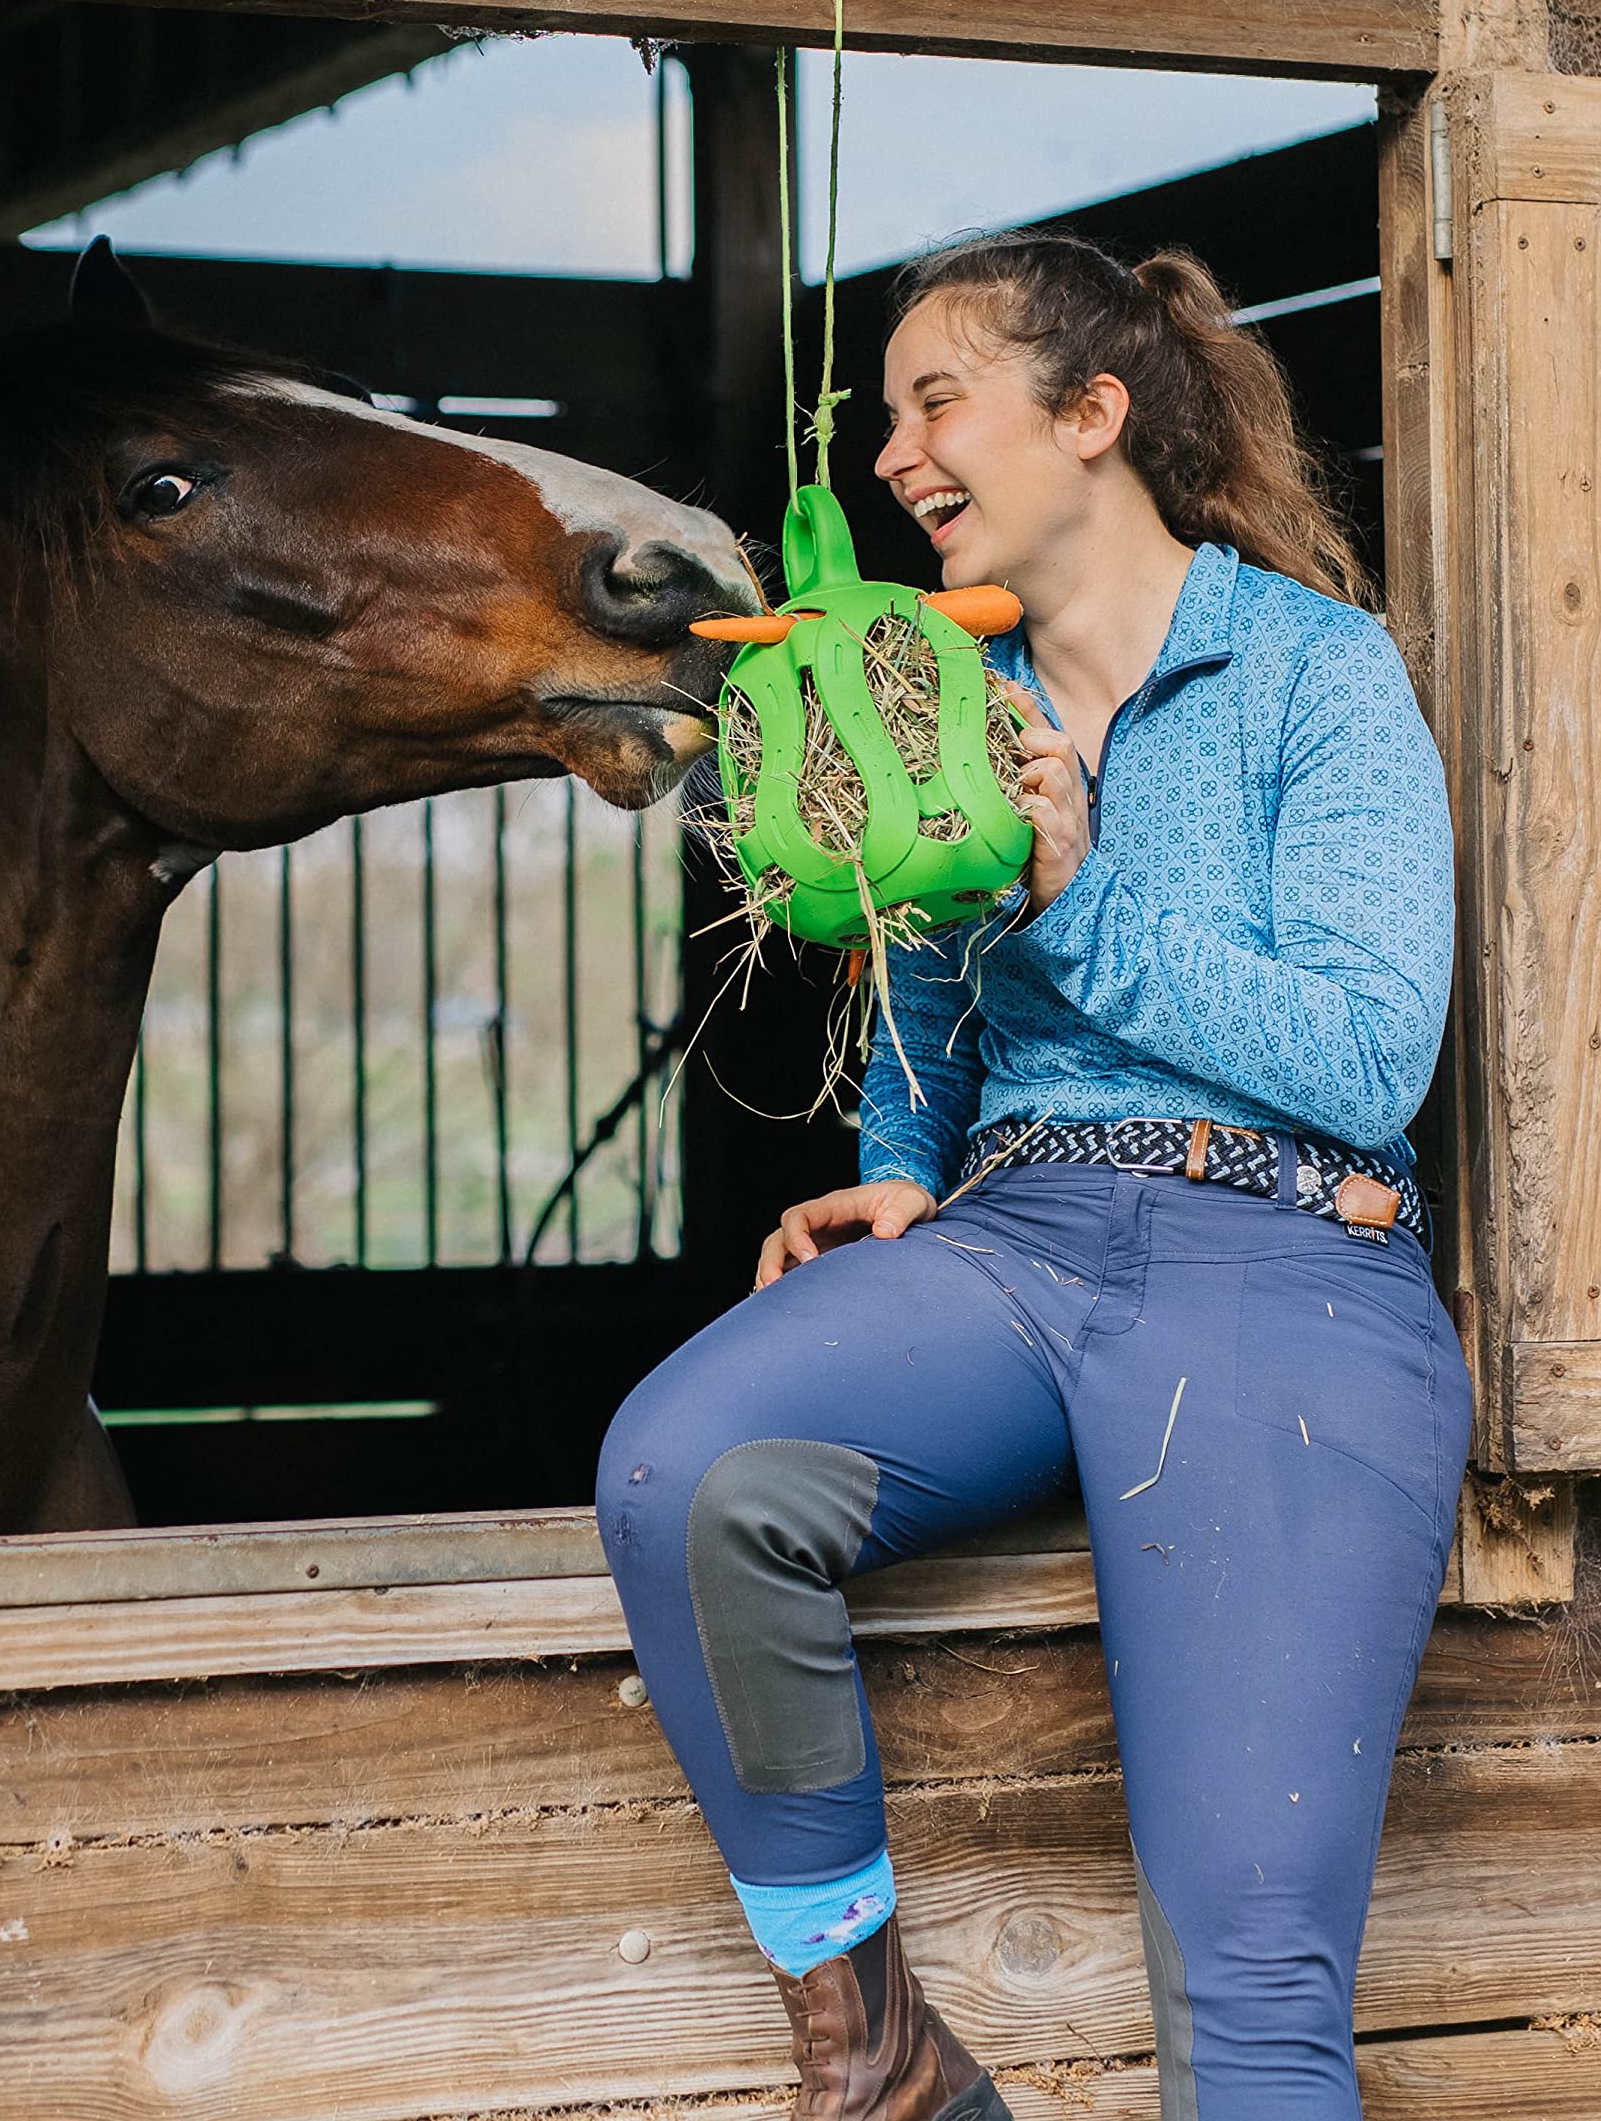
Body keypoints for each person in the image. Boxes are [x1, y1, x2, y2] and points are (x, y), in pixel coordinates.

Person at [598, 234, 1468, 2121]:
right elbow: (918, 989)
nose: (896, 453)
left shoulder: (1311, 671)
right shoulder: (928, 693)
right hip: (1019, 1238)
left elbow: (1371, 1052)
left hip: (1288, 1261)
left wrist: (1082, 899)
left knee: (1249, 1982)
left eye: (937, 401)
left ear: (1093, 419)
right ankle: (874, 2046)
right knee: (686, 1476)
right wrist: (898, 1168)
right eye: (890, 408)